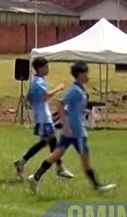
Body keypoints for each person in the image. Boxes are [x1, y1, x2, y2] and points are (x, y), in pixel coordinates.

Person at [28, 62, 115, 194]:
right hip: (76, 132)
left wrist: (84, 114)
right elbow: (60, 105)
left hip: (71, 130)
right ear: (79, 75)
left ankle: (35, 177)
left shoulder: (79, 89)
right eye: (86, 73)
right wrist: (66, 125)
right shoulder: (75, 90)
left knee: (56, 155)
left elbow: (71, 109)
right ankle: (97, 186)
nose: (88, 76)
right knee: (85, 160)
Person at [13, 57, 73, 180]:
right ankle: (59, 167)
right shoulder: (38, 82)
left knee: (46, 142)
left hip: (42, 116)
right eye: (46, 67)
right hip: (43, 117)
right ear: (40, 68)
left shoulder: (35, 81)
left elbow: (28, 98)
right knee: (51, 141)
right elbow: (44, 96)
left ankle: (22, 162)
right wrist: (58, 88)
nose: (48, 69)